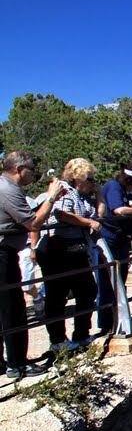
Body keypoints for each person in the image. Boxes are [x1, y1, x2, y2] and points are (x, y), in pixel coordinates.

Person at [0, 152, 66, 379]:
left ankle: (5, 362)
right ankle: (17, 364)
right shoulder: (8, 190)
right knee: (13, 310)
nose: (34, 173)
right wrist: (50, 197)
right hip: (3, 255)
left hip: (5, 253)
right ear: (19, 169)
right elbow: (33, 223)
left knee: (4, 309)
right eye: (31, 169)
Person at [36, 158, 102, 352]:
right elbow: (61, 214)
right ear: (78, 178)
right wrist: (87, 223)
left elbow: (99, 214)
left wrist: (99, 195)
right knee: (57, 296)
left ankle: (81, 334)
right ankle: (58, 341)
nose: (92, 182)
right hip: (58, 249)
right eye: (89, 179)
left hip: (77, 249)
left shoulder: (83, 197)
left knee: (88, 291)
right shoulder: (64, 191)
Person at [96, 163, 132, 334]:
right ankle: (108, 324)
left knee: (120, 279)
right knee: (108, 282)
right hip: (110, 237)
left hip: (122, 237)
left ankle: (121, 318)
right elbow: (118, 209)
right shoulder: (114, 187)